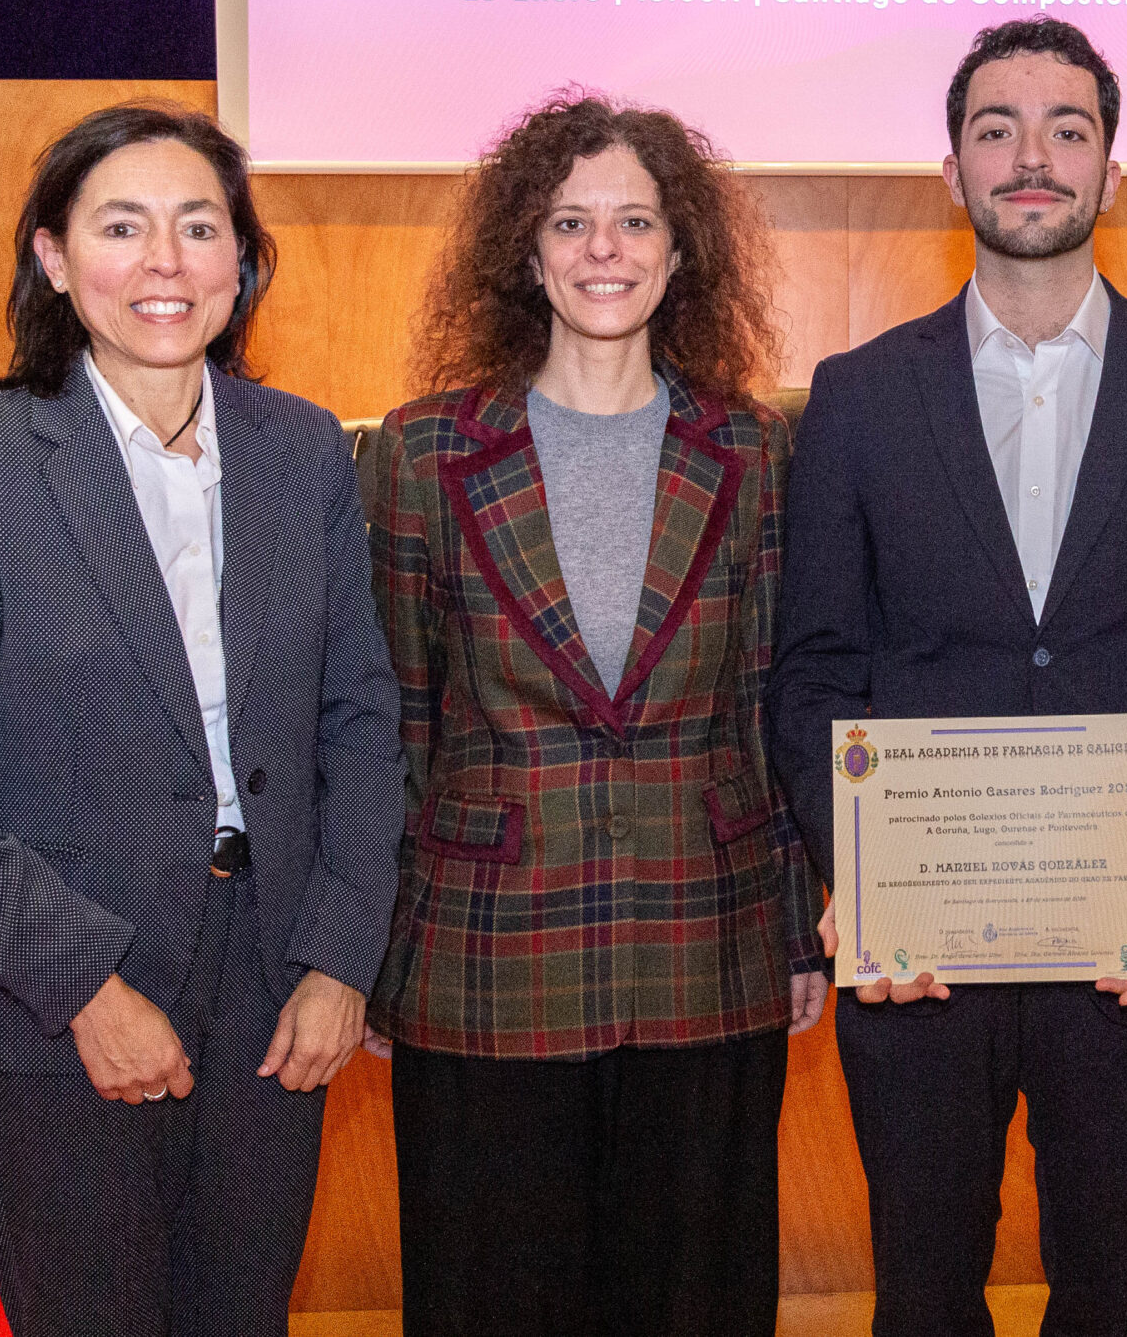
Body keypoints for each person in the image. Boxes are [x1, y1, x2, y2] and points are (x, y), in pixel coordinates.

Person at [0, 102, 406, 1336]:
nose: (165, 262)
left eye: (199, 228)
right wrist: (86, 987)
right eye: (121, 227)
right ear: (53, 257)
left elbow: (361, 724)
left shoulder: (304, 451)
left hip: (274, 989)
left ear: (242, 261)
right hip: (63, 989)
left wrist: (338, 959)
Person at [772, 18, 1127, 1337]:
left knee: (1113, 1294)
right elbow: (815, 671)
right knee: (924, 1294)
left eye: (1068, 128)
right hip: (918, 949)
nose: (1032, 157)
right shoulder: (855, 397)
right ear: (951, 170)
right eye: (996, 129)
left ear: (1113, 169)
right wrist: (860, 879)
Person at [365, 93, 825, 1337]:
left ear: (682, 252)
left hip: (708, 943)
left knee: (694, 1302)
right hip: (485, 956)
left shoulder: (754, 450)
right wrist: (375, 954)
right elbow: (394, 722)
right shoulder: (421, 454)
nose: (603, 249)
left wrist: (798, 934)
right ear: (525, 252)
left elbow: (771, 700)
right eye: (569, 223)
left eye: (635, 221)